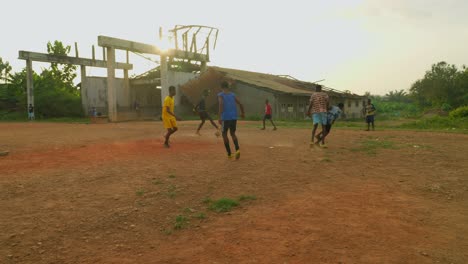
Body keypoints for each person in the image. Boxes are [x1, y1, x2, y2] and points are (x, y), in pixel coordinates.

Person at [218, 81, 245, 159]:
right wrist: (243, 113)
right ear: (228, 87)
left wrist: (219, 117)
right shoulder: (233, 95)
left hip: (225, 118)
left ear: (221, 87)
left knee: (224, 134)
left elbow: (221, 104)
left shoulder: (220, 95)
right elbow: (240, 103)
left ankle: (229, 154)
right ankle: (237, 149)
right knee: (233, 133)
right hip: (233, 117)